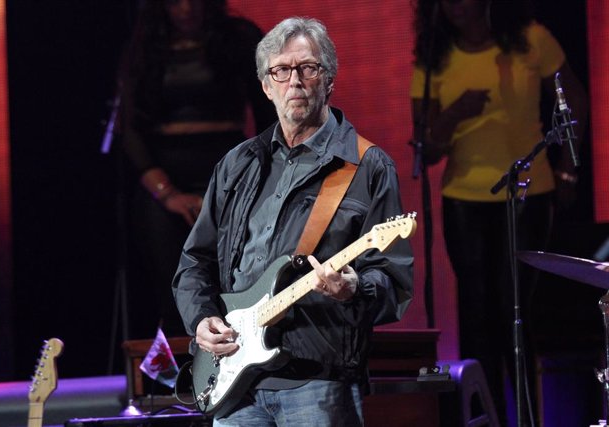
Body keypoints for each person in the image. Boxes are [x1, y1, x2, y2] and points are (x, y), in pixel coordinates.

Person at [173, 16, 414, 426]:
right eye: (281, 71)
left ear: (329, 80)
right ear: (266, 86)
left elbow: (394, 282)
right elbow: (195, 262)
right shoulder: (237, 164)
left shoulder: (366, 167)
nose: (295, 81)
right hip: (235, 380)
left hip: (318, 381)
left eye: (308, 68)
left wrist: (353, 288)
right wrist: (200, 320)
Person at [410, 0, 588, 425]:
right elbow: (427, 147)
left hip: (528, 193)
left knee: (517, 310)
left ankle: (527, 417)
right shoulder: (436, 54)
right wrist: (456, 112)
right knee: (475, 316)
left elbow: (574, 101)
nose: (455, 7)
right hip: (464, 198)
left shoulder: (531, 40)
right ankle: (485, 418)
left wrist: (567, 166)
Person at [118, 0, 276, 339]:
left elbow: (268, 114)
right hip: (164, 178)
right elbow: (130, 128)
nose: (186, 8)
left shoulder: (239, 38)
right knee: (173, 287)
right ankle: (184, 381)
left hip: (230, 170)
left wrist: (253, 177)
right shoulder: (145, 48)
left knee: (236, 283)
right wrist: (168, 193)